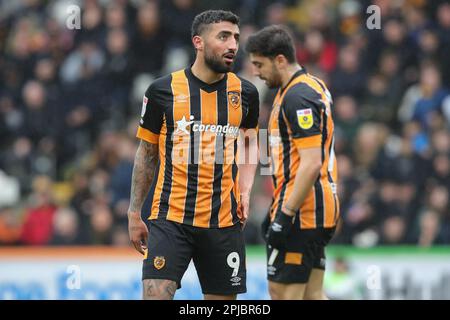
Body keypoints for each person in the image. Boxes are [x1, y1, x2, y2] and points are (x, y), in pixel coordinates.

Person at [127, 10, 259, 300]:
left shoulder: (246, 93)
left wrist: (246, 190)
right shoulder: (162, 91)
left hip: (224, 221)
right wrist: (135, 212)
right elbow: (147, 153)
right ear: (198, 42)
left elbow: (250, 143)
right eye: (223, 36)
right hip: (170, 218)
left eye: (236, 38)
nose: (233, 45)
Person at [246, 25, 339, 300]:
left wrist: (284, 216)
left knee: (284, 294)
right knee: (312, 295)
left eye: (259, 64)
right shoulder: (306, 87)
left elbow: (311, 163)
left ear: (280, 60)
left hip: (303, 212)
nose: (255, 72)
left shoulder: (298, 97)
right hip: (311, 209)